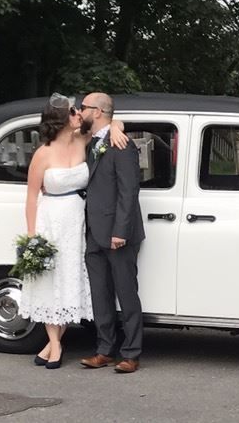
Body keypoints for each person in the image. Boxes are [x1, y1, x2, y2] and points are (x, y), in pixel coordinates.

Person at [18, 93, 126, 370]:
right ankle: (55, 346)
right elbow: (31, 197)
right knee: (50, 283)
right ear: (62, 119)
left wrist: (116, 126)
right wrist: (32, 236)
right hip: (50, 219)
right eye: (73, 110)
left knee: (71, 281)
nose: (79, 112)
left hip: (78, 219)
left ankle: (49, 346)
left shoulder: (83, 139)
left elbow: (113, 122)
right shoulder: (42, 154)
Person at [78, 92, 146, 374]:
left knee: (126, 292)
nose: (79, 112)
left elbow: (129, 191)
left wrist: (120, 231)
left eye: (83, 108)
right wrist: (116, 123)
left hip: (118, 232)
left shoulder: (121, 145)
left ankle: (131, 352)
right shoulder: (91, 141)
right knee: (100, 294)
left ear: (97, 112)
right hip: (93, 230)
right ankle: (104, 349)